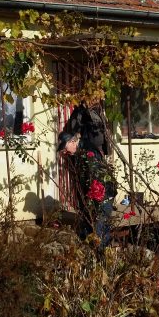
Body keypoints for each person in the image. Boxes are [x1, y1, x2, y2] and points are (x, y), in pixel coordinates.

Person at [57, 103, 116, 247]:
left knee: (100, 229)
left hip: (103, 194)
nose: (65, 153)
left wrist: (93, 199)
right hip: (92, 196)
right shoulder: (78, 153)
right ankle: (93, 253)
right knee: (89, 227)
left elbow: (96, 178)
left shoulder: (88, 152)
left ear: (72, 141)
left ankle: (102, 255)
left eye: (65, 148)